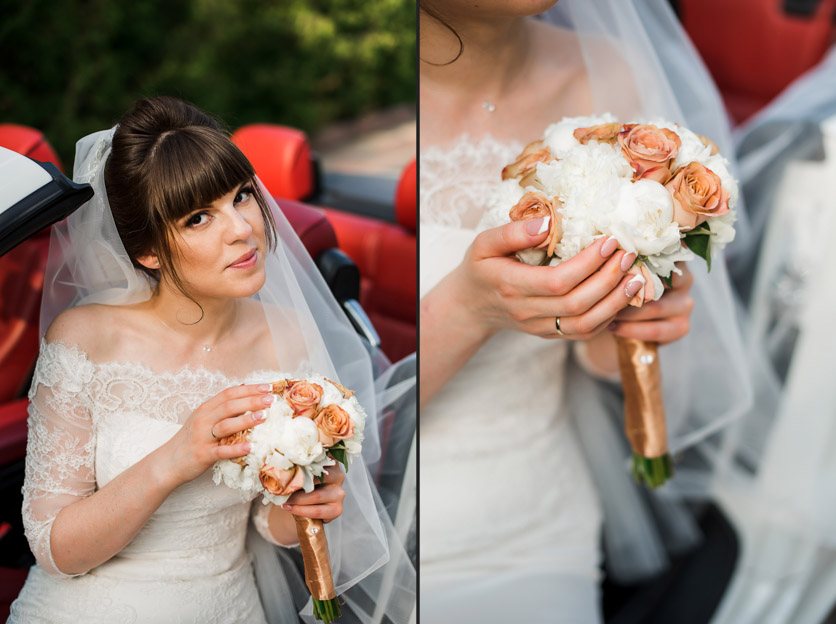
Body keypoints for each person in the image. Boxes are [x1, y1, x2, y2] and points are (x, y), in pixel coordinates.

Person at [8, 96, 415, 623]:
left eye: (242, 196)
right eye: (198, 218)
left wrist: (306, 507)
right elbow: (56, 551)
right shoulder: (84, 339)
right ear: (148, 252)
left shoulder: (286, 337)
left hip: (228, 604)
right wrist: (174, 459)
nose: (243, 228)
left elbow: (265, 526)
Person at [419, 1, 753, 622]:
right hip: (389, 518)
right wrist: (467, 310)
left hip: (537, 519)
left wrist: (632, 318)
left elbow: (596, 352)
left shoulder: (610, 71)